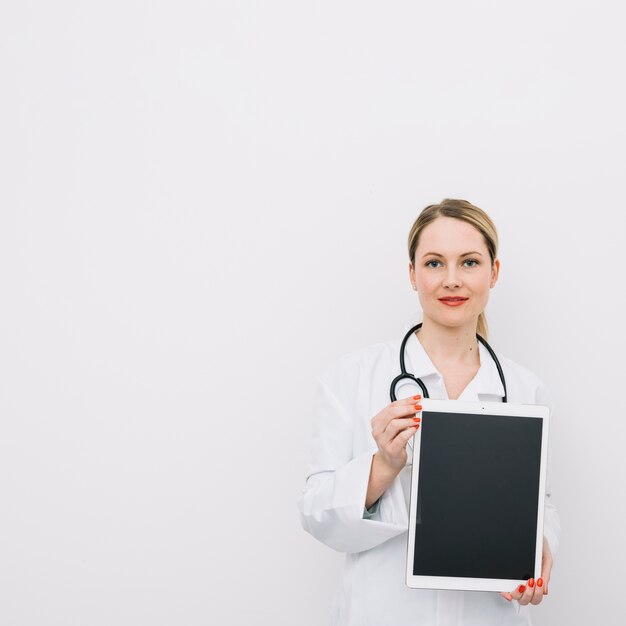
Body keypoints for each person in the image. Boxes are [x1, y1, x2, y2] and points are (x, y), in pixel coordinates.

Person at [298, 199, 560, 626]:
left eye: (470, 262)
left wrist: (540, 544)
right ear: (412, 274)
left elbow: (541, 503)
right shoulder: (352, 376)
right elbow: (316, 515)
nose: (452, 280)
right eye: (435, 263)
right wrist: (383, 465)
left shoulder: (526, 390)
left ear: (494, 272)